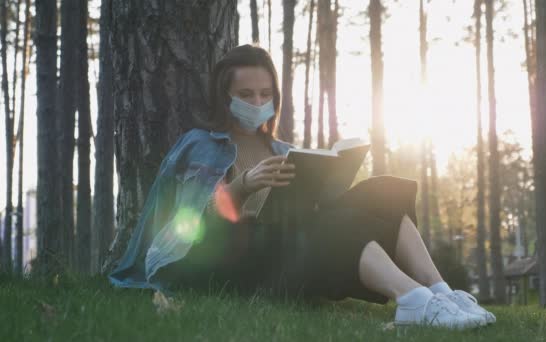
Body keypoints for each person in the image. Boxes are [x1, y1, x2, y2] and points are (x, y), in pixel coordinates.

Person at [109, 44, 496, 329]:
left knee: (385, 190)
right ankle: (413, 300)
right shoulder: (200, 145)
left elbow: (315, 208)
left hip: (294, 250)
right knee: (327, 225)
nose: (257, 102)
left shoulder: (284, 149)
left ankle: (442, 292)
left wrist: (332, 178)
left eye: (265, 94)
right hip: (238, 263)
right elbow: (185, 224)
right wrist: (242, 187)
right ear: (224, 97)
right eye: (245, 95)